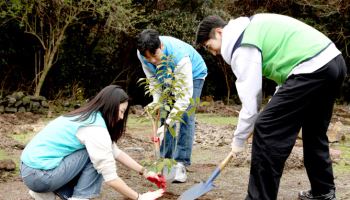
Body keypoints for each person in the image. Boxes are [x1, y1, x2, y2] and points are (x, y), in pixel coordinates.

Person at [196, 13, 347, 200]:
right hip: (332, 63)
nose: (213, 53)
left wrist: (238, 141)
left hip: (311, 68)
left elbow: (251, 103)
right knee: (314, 132)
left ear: (219, 32)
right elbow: (286, 73)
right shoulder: (251, 27)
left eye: (209, 46)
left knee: (266, 128)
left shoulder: (240, 43)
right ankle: (323, 192)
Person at [20, 85, 164, 200]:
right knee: (96, 157)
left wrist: (144, 171)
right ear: (110, 107)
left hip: (29, 170)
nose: (121, 117)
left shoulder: (88, 116)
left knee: (98, 152)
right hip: (40, 176)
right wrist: (140, 197)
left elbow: (116, 152)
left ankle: (45, 194)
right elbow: (111, 178)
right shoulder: (95, 129)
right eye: (120, 111)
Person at [136, 29, 208, 183]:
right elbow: (153, 79)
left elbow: (184, 98)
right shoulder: (143, 54)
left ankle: (181, 163)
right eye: (148, 59)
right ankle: (165, 161)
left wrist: (168, 124)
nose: (153, 61)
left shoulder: (180, 57)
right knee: (163, 113)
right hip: (167, 76)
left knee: (186, 116)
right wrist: (157, 102)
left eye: (155, 56)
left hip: (193, 75)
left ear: (161, 46)